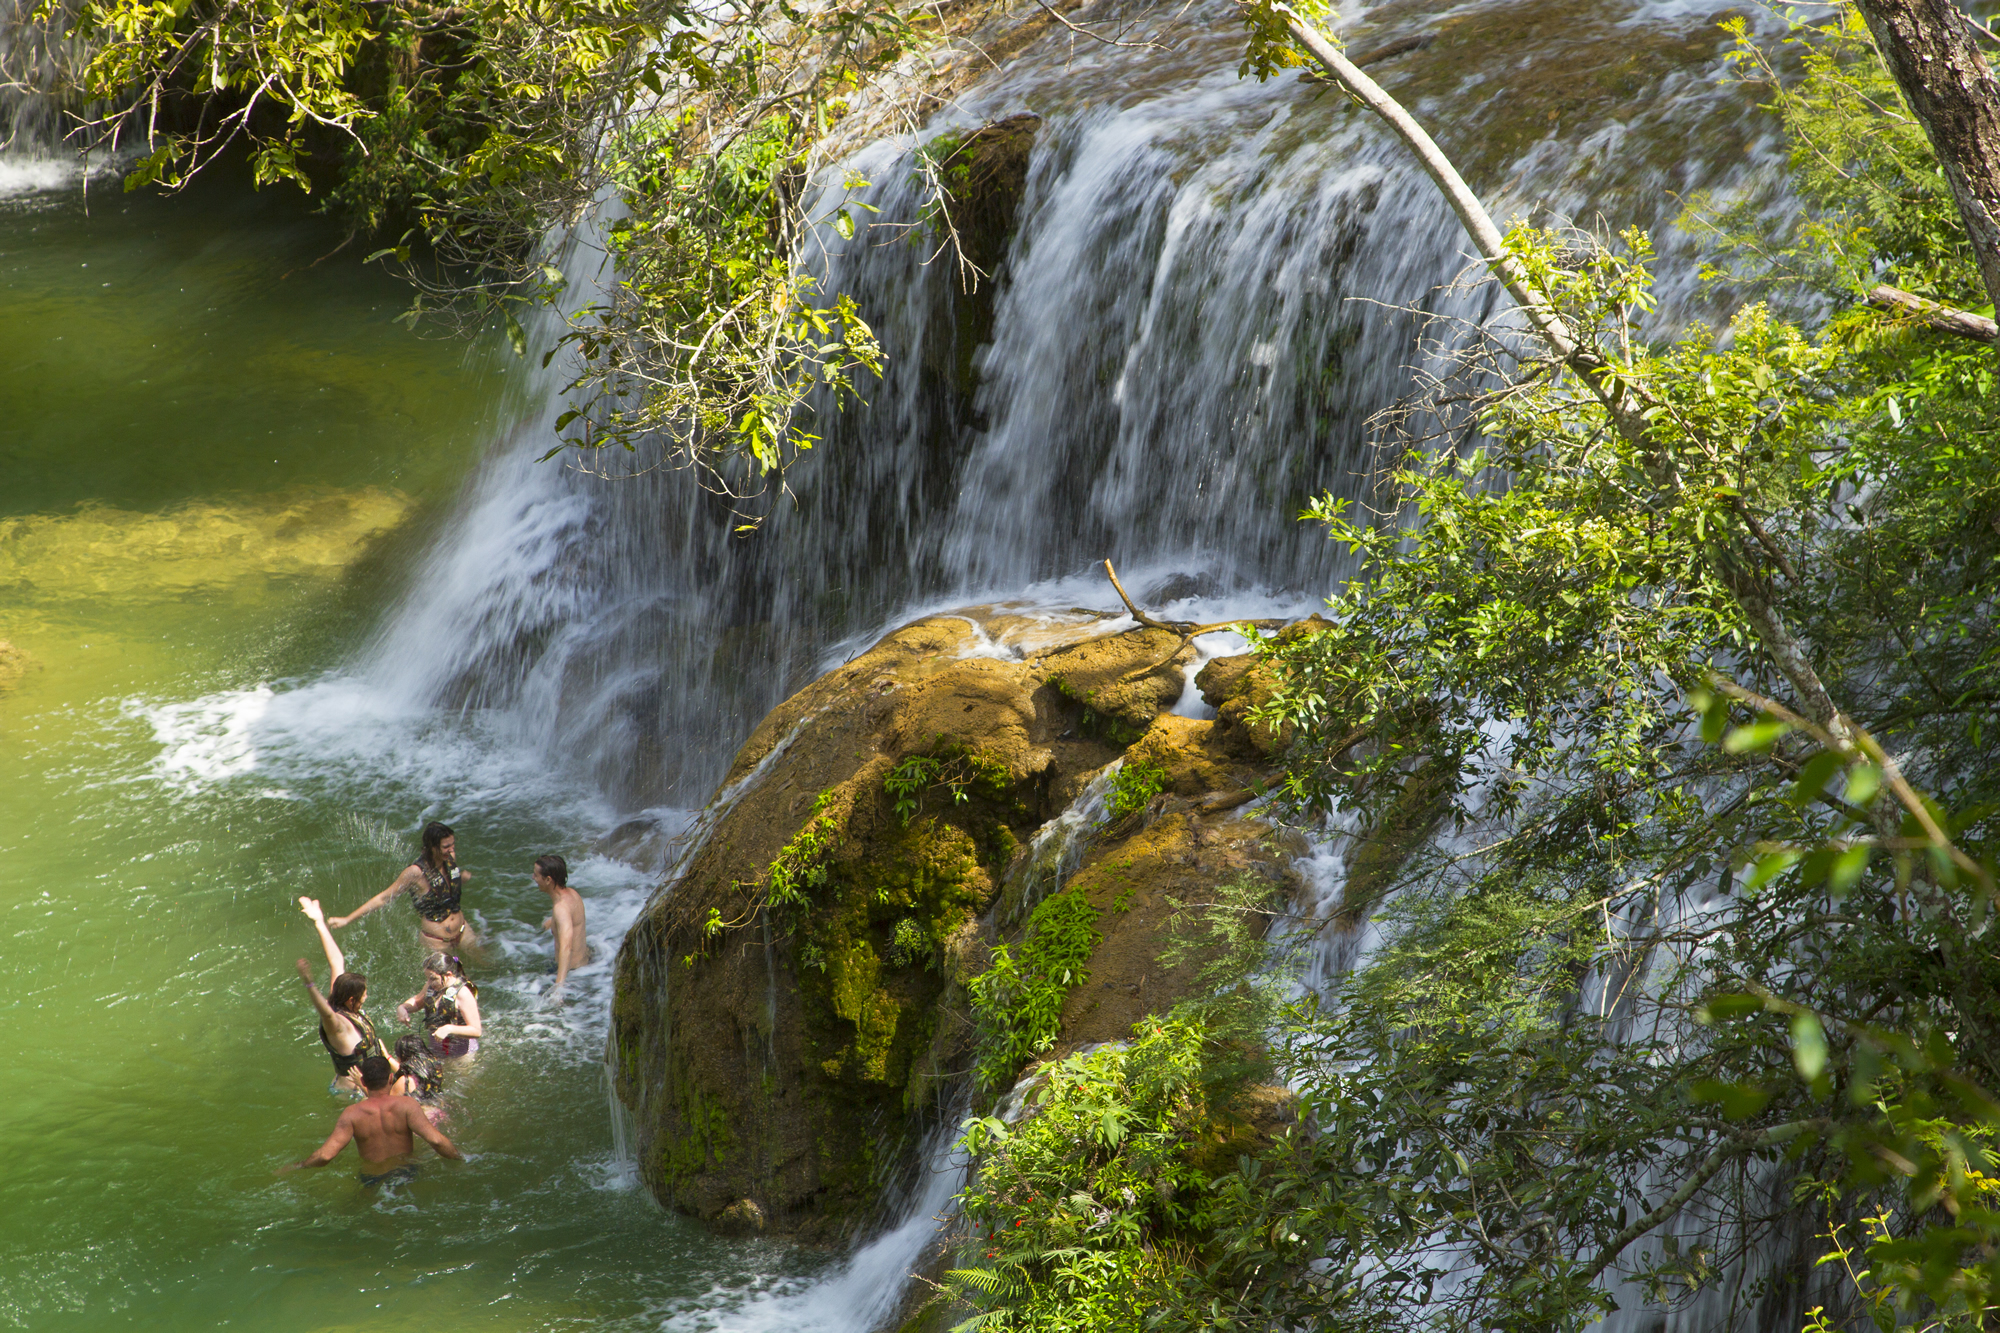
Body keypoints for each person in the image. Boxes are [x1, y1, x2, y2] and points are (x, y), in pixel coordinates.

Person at [277, 1055, 461, 1187]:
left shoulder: (351, 1114)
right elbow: (436, 1140)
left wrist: (299, 1165)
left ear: (363, 1081)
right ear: (390, 1078)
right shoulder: (407, 1105)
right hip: (406, 1174)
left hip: (373, 1180)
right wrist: (460, 1159)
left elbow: (325, 1155)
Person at [328, 821, 477, 951]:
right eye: (446, 846)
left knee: (486, 965)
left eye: (453, 844)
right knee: (445, 981)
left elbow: (444, 891)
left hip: (462, 931)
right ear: (432, 847)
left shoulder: (449, 859)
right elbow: (384, 898)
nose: (452, 850)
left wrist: (460, 880)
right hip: (437, 942)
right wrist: (347, 919)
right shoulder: (415, 873)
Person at [296, 896, 387, 1095]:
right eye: (363, 995)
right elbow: (326, 1014)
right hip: (352, 1094)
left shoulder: (341, 998)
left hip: (369, 1086)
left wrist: (319, 922)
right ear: (351, 999)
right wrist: (309, 983)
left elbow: (337, 960)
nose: (366, 998)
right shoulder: (338, 1026)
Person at [399, 952, 483, 1057]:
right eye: (428, 978)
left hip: (461, 1054)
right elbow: (417, 1001)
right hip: (435, 1049)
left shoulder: (463, 994)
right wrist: (403, 1008)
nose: (429, 982)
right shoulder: (432, 985)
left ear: (448, 975)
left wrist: (449, 1029)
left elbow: (476, 1030)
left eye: (433, 978)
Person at [534, 854, 590, 993]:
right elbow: (568, 918)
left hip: (571, 973)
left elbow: (566, 946)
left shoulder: (560, 908)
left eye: (536, 875)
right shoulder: (572, 894)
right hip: (585, 966)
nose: (533, 878)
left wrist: (558, 987)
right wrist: (550, 923)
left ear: (548, 880)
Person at [391, 1033, 446, 1123]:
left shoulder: (404, 1082)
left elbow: (385, 1108)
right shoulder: (435, 1069)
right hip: (438, 1115)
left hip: (416, 1123)